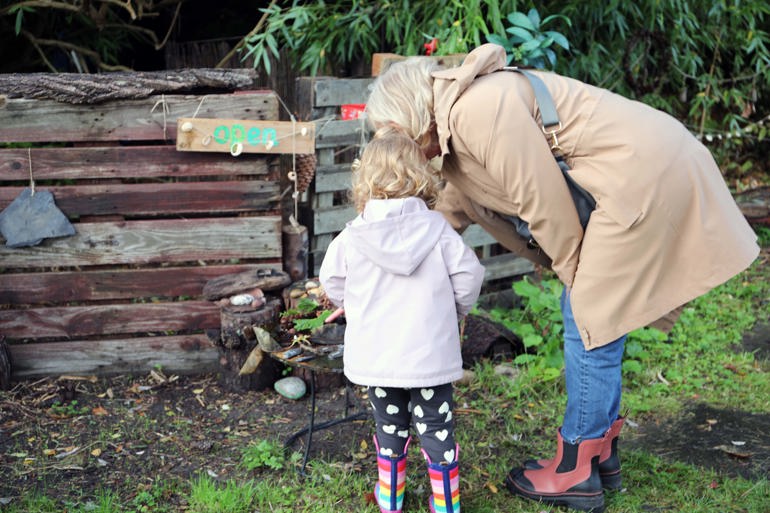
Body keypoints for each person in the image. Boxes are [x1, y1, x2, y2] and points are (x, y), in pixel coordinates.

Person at [364, 43, 759, 512]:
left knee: (589, 312)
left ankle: (576, 466)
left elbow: (544, 201)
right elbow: (438, 220)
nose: (391, 147)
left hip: (642, 172)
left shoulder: (479, 108)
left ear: (406, 118)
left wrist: (580, 281)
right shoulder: (455, 144)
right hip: (638, 172)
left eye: (390, 134)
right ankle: (601, 454)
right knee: (593, 313)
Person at [319, 130, 485, 513]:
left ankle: (390, 499)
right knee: (437, 429)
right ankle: (446, 505)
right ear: (422, 176)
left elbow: (332, 281)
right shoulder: (439, 230)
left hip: (379, 359)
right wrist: (455, 311)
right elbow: (470, 276)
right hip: (429, 361)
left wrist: (351, 304)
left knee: (389, 427)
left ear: (365, 179)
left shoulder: (352, 236)